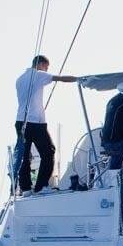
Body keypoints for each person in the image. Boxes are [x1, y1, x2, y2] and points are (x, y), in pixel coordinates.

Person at [13, 55, 77, 196]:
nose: (47, 70)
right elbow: (60, 78)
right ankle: (41, 186)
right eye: (46, 67)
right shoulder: (38, 75)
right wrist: (78, 79)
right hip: (35, 122)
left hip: (20, 121)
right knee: (49, 152)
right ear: (41, 64)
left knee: (25, 155)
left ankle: (26, 189)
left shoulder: (20, 79)